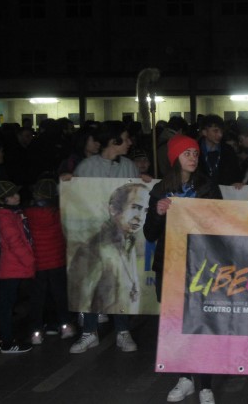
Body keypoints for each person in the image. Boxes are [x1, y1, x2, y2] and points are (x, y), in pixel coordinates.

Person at [145, 134, 224, 404]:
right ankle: (185, 378)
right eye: (186, 153)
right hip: (170, 264)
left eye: (195, 153)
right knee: (175, 324)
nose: (193, 158)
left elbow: (221, 223)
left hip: (201, 264)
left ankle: (205, 385)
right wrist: (158, 213)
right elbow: (149, 234)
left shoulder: (207, 186)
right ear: (174, 158)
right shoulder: (160, 189)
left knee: (202, 323)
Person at [68, 120, 150, 354]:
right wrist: (67, 183)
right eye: (125, 138)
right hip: (94, 233)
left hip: (122, 239)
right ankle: (89, 332)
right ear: (114, 140)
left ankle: (122, 331)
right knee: (91, 281)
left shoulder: (129, 167)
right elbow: (78, 200)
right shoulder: (86, 167)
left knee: (121, 281)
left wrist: (144, 182)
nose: (129, 142)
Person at [25, 178, 76, 345]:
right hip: (57, 261)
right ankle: (65, 326)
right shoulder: (58, 213)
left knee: (37, 298)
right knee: (60, 295)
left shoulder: (27, 213)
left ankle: (36, 332)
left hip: (37, 262)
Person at [0, 180, 35, 353]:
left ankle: (8, 338)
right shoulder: (4, 216)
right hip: (11, 267)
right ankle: (7, 342)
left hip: (14, 266)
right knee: (6, 305)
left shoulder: (13, 213)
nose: (16, 196)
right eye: (11, 195)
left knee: (8, 303)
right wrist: (30, 261)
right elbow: (14, 242)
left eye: (16, 193)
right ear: (2, 200)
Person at [197, 114, 242, 185]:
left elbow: (236, 174)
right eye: (215, 131)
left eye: (221, 131)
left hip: (224, 191)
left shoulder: (228, 150)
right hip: (200, 191)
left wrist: (236, 183)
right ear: (204, 132)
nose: (220, 135)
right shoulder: (194, 150)